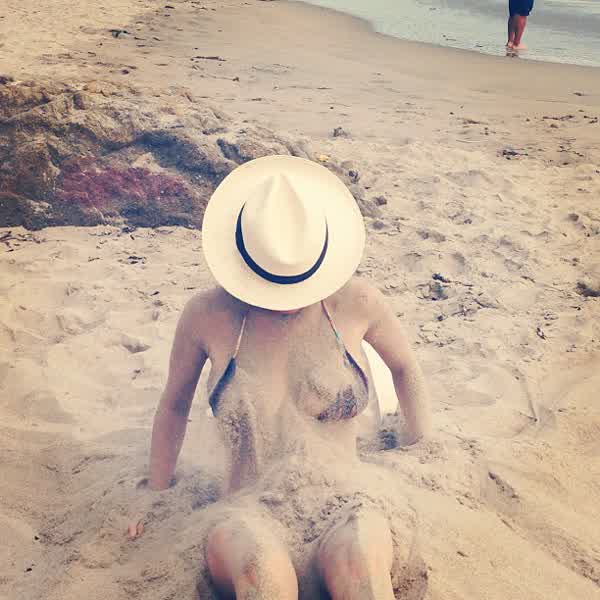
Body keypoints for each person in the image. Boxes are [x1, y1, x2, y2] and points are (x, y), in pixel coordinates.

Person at [128, 155, 431, 599]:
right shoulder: (207, 315)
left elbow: (405, 367)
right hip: (246, 509)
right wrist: (155, 492)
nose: (287, 301)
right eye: (274, 286)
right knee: (263, 580)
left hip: (346, 496)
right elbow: (174, 403)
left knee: (362, 566)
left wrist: (420, 445)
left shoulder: (357, 303)